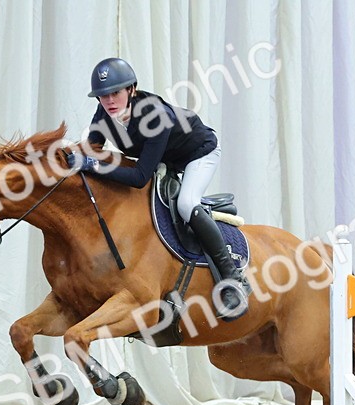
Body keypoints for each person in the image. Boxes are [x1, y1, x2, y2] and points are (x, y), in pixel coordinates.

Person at [68, 57, 249, 319]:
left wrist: (91, 166)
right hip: (166, 158)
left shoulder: (155, 116)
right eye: (102, 96)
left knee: (186, 204)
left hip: (198, 153)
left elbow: (140, 176)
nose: (109, 101)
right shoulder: (103, 113)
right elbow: (92, 150)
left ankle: (233, 279)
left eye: (115, 93)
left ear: (132, 89)